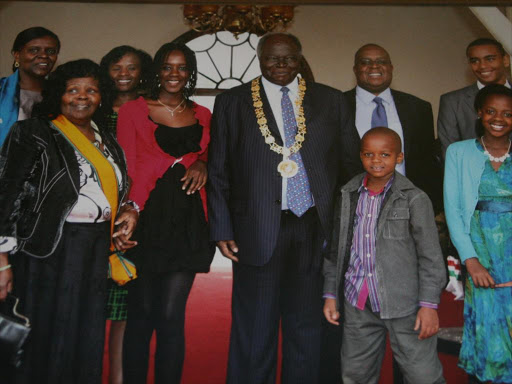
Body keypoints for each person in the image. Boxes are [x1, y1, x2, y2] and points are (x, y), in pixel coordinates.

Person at [208, 32, 361, 383]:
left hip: (314, 227)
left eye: (289, 58)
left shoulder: (330, 100)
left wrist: (344, 226)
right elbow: (218, 170)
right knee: (255, 327)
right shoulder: (233, 101)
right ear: (259, 57)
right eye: (272, 58)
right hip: (257, 227)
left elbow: (350, 167)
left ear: (300, 57)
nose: (280, 65)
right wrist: (222, 228)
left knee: (307, 326)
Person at [0, 59, 138, 383]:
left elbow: (113, 190)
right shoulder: (34, 131)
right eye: (73, 89)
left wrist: (128, 211)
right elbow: (6, 197)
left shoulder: (106, 140)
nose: (82, 96)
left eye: (91, 90)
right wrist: (2, 261)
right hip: (47, 250)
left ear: (101, 96)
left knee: (84, 334)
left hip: (93, 248)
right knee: (46, 336)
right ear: (58, 95)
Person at [117, 42, 214, 384]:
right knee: (142, 314)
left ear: (190, 73)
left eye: (182, 67)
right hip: (145, 220)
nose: (174, 74)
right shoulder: (133, 111)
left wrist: (202, 162)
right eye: (168, 67)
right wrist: (128, 212)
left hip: (188, 222)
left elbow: (212, 156)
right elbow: (127, 166)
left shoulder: (203, 114)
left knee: (172, 316)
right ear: (157, 70)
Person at [323, 127, 446, 384]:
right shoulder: (348, 194)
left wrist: (429, 305)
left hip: (405, 305)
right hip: (358, 301)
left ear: (399, 157)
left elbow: (431, 257)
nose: (376, 160)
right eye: (369, 154)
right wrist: (331, 294)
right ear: (360, 156)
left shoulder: (414, 199)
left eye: (385, 154)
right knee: (356, 374)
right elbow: (336, 249)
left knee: (423, 375)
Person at [444, 84, 512, 383]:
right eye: (491, 111)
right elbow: (454, 211)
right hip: (480, 254)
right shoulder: (458, 152)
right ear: (479, 113)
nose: (499, 118)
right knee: (489, 336)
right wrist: (470, 261)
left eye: (508, 113)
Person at [99, 44, 153, 384]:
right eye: (117, 66)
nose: (123, 73)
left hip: (134, 211)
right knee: (89, 304)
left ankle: (117, 377)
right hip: (92, 212)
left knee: (123, 307)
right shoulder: (93, 106)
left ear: (141, 72)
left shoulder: (148, 110)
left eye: (131, 67)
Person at [344, 43, 442, 212]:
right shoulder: (337, 105)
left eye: (381, 61)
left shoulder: (418, 108)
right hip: (355, 206)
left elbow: (426, 163)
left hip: (408, 206)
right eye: (365, 62)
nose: (374, 66)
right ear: (355, 69)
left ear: (391, 67)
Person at [438, 38, 511, 157]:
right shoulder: (453, 102)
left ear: (505, 60)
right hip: (469, 174)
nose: (482, 66)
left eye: (490, 59)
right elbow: (450, 153)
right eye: (475, 61)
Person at [0, 26, 60, 147]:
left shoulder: (62, 94)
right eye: (34, 50)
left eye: (50, 51)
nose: (43, 56)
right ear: (17, 55)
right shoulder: (2, 91)